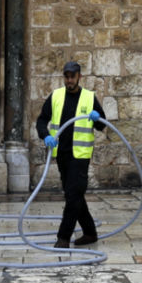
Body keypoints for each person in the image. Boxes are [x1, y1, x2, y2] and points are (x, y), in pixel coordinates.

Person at [35, 60, 107, 249]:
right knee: (73, 194)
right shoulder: (56, 96)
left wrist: (96, 117)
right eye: (66, 76)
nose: (69, 80)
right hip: (62, 155)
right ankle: (90, 232)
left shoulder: (89, 98)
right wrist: (46, 135)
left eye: (72, 76)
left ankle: (63, 237)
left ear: (79, 77)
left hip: (81, 156)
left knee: (74, 194)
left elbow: (102, 125)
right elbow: (42, 120)